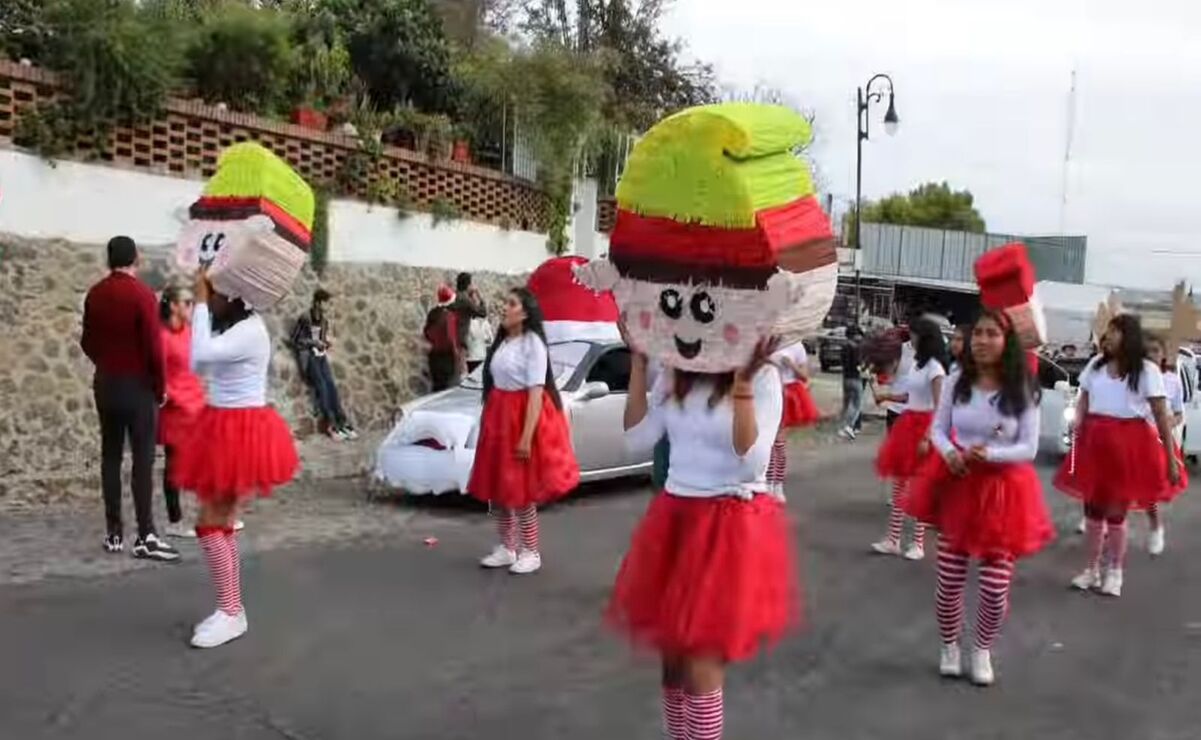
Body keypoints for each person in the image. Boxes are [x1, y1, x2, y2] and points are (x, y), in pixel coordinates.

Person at [610, 336, 796, 740]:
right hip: (674, 518)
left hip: (726, 525)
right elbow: (636, 441)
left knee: (700, 657)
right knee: (673, 660)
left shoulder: (763, 376)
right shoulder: (677, 371)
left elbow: (753, 464)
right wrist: (640, 364)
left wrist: (743, 386)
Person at [904, 310, 1053, 686]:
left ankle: (982, 648)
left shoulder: (1023, 388)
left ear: (1007, 342)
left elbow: (1028, 448)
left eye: (991, 334)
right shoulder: (957, 380)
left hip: (1004, 490)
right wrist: (950, 452)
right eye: (977, 334)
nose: (982, 341)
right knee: (949, 581)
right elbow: (938, 430)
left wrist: (992, 455)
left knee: (994, 587)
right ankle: (949, 645)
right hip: (958, 482)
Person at [170, 271, 300, 648]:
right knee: (217, 520)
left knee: (211, 521)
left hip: (240, 430)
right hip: (223, 424)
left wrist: (197, 302)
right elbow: (205, 361)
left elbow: (198, 358)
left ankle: (231, 611)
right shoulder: (237, 325)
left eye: (215, 294)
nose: (210, 298)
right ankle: (229, 608)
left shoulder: (250, 329)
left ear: (235, 296)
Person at [1055, 314, 1184, 597]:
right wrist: (1078, 422)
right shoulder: (1096, 366)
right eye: (1108, 331)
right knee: (1091, 509)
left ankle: (1115, 571)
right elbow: (1083, 401)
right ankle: (1091, 569)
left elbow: (1161, 415)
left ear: (1129, 337)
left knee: (1115, 510)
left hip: (1128, 445)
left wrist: (1170, 459)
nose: (1109, 336)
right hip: (1094, 442)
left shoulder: (1147, 371)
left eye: (1115, 331)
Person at [467, 288, 580, 575]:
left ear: (525, 312)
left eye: (511, 303)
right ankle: (507, 547)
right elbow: (495, 383)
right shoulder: (504, 342)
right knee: (499, 488)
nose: (505, 308)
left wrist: (526, 436)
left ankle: (530, 550)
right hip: (499, 416)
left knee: (520, 487)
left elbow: (534, 394)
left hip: (521, 417)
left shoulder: (534, 345)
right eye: (506, 302)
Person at [80, 236, 179, 562]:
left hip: (106, 384)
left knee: (110, 456)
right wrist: (160, 387)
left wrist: (106, 362)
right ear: (135, 258)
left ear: (109, 260)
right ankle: (146, 533)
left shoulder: (95, 294)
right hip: (138, 387)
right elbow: (154, 347)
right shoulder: (142, 295)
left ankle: (113, 533)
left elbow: (87, 341)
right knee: (142, 459)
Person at [871, 318, 948, 561]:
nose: (910, 339)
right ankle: (893, 539)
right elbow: (911, 395)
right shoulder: (918, 364)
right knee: (899, 486)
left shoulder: (935, 368)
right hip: (908, 423)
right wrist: (888, 396)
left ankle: (918, 543)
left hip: (924, 426)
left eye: (913, 335)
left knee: (919, 487)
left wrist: (928, 436)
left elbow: (940, 406)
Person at [158, 285, 207, 539]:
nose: (191, 307)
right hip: (176, 410)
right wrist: (173, 396)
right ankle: (175, 520)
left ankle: (214, 513)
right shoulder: (162, 337)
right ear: (173, 306)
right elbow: (157, 376)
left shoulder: (190, 332)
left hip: (196, 405)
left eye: (191, 302)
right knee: (175, 464)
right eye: (186, 303)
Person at [291, 289, 357, 440]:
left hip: (321, 356)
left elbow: (321, 339)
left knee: (331, 387)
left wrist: (325, 343)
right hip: (309, 358)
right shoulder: (305, 318)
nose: (329, 307)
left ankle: (343, 424)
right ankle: (331, 425)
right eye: (327, 304)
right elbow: (295, 340)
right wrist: (314, 342)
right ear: (318, 303)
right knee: (322, 387)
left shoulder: (324, 321)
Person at [1142, 334, 1184, 556]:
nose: (1151, 356)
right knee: (1115, 483)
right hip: (1133, 436)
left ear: (1164, 355)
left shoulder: (1172, 380)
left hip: (1157, 439)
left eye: (1156, 351)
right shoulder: (1134, 376)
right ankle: (1106, 523)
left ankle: (1156, 527)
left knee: (1149, 489)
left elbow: (1179, 414)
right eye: (1147, 351)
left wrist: (1169, 421)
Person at [766, 340, 820, 497]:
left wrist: (790, 365)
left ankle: (777, 484)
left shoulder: (797, 346)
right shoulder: (769, 341)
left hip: (788, 394)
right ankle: (768, 483)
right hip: (768, 390)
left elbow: (804, 376)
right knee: (768, 442)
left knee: (779, 443)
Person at [424, 285, 460, 391]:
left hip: (433, 356)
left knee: (436, 387)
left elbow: (426, 332)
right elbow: (450, 337)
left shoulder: (432, 313)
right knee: (446, 390)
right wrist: (456, 355)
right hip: (446, 357)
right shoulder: (449, 316)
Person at [449, 272, 487, 368]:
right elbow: (482, 313)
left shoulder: (454, 296)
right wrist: (479, 296)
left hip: (452, 336)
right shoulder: (465, 300)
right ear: (468, 285)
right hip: (461, 338)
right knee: (460, 368)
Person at [838, 325, 866, 440]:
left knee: (847, 404)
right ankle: (849, 426)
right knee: (856, 404)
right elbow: (859, 364)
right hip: (856, 378)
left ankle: (842, 426)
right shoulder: (856, 348)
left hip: (846, 378)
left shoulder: (844, 347)